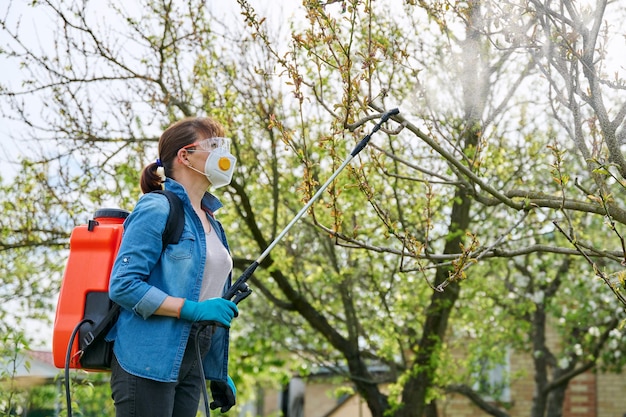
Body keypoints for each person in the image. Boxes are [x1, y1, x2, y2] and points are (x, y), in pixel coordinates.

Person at [106, 116, 240, 417]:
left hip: (193, 359)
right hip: (148, 359)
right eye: (215, 145)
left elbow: (211, 302)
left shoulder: (213, 223)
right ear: (185, 156)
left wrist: (217, 369)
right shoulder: (157, 207)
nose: (225, 155)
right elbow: (124, 285)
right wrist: (191, 310)